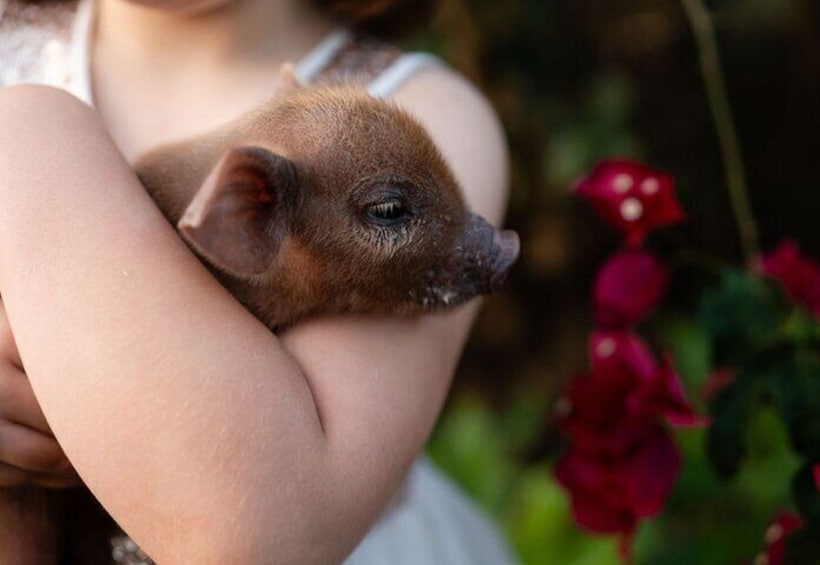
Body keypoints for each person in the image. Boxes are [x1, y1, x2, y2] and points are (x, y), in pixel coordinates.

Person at [0, 0, 516, 563]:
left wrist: (29, 137)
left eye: (385, 210)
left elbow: (265, 533)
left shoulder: (425, 107)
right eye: (391, 211)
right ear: (249, 206)